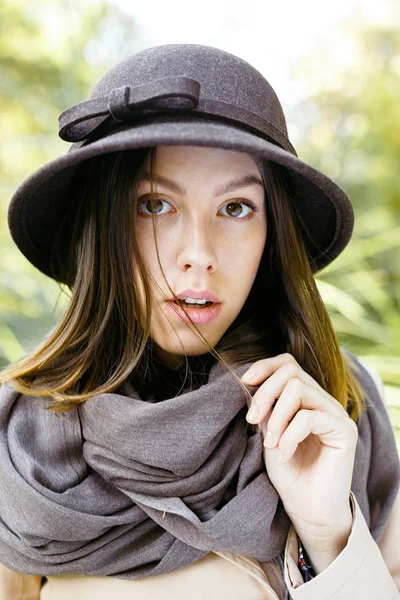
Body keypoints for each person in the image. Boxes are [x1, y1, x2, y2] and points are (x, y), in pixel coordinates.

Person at [0, 43, 399, 600]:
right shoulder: (19, 446)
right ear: (102, 226)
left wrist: (328, 538)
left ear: (271, 234)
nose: (198, 253)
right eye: (155, 205)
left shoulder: (341, 415)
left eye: (235, 208)